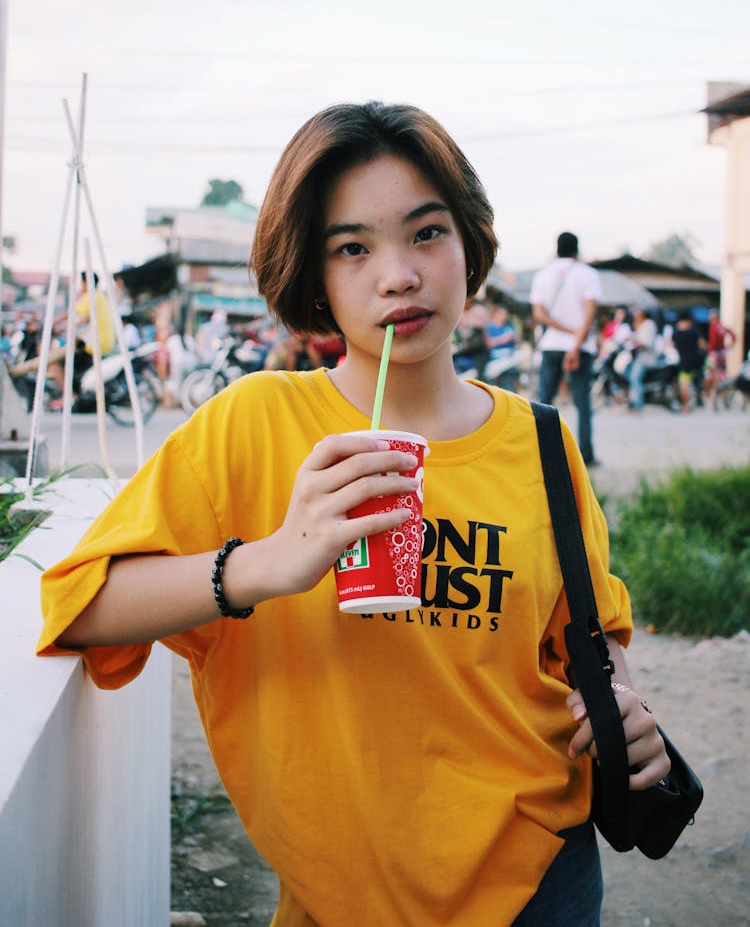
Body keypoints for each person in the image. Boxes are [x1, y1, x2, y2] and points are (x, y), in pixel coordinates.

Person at [37, 102, 668, 926]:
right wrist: (267, 562)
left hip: (538, 873)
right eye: (353, 247)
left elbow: (587, 638)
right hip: (337, 899)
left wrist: (624, 707)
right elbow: (81, 606)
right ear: (316, 276)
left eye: (427, 233)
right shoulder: (254, 422)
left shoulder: (544, 444)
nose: (398, 274)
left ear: (469, 243)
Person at [530, 232, 602, 466]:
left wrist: (564, 330)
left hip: (551, 345)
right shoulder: (588, 274)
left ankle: (541, 455)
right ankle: (587, 456)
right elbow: (590, 313)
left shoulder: (542, 275)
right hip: (582, 348)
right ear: (577, 249)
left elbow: (539, 315)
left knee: (544, 403)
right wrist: (576, 342)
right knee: (583, 404)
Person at [48, 271, 116, 403]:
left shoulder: (90, 296)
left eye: (82, 283)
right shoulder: (100, 296)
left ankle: (69, 396)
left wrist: (54, 324)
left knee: (55, 363)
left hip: (95, 344)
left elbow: (75, 315)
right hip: (105, 342)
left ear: (86, 283)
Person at [672, 310, 707, 413]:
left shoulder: (676, 332)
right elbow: (703, 345)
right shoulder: (694, 331)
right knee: (698, 381)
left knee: (684, 384)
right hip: (696, 361)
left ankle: (685, 405)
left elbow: (671, 345)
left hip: (683, 361)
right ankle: (699, 398)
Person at [483, 298, 520, 390]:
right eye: (502, 314)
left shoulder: (509, 325)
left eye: (506, 314)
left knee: (509, 384)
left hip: (509, 359)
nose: (504, 316)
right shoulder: (490, 327)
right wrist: (502, 339)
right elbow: (488, 344)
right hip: (495, 360)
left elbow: (518, 340)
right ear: (496, 314)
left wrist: (514, 337)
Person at [626, 308, 659, 411]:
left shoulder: (649, 325)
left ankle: (638, 403)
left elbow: (646, 343)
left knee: (635, 378)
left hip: (646, 358)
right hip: (639, 357)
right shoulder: (640, 325)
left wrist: (634, 341)